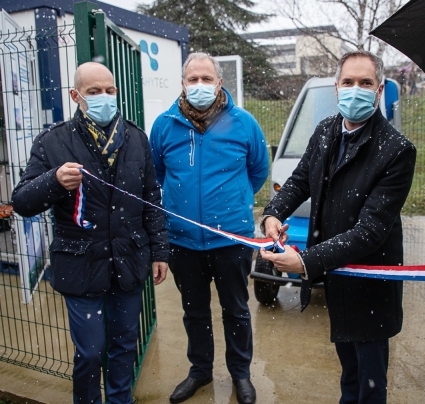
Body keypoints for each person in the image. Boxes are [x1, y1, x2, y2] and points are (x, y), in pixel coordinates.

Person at [260, 50, 416, 404]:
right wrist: (273, 214)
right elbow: (300, 180)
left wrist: (305, 262)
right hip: (338, 277)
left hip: (371, 281)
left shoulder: (396, 150)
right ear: (336, 87)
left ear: (378, 91)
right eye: (348, 82)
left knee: (371, 381)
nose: (355, 90)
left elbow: (370, 232)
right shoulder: (326, 130)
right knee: (349, 373)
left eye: (365, 83)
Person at [11, 62, 169, 404]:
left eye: (109, 91)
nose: (104, 98)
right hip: (81, 264)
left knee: (125, 344)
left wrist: (159, 252)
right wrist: (53, 180)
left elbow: (151, 200)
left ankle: (119, 400)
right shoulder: (53, 142)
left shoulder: (135, 138)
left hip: (128, 260)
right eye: (94, 92)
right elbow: (21, 201)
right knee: (91, 351)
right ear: (75, 95)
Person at [150, 52, 269, 404]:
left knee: (236, 309)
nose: (199, 85)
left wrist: (232, 200)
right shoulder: (164, 125)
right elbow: (159, 173)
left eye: (206, 78)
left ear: (219, 82)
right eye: (192, 79)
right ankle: (199, 371)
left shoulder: (244, 123)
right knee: (195, 311)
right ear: (183, 84)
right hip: (183, 241)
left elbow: (257, 171)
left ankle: (241, 374)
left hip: (231, 239)